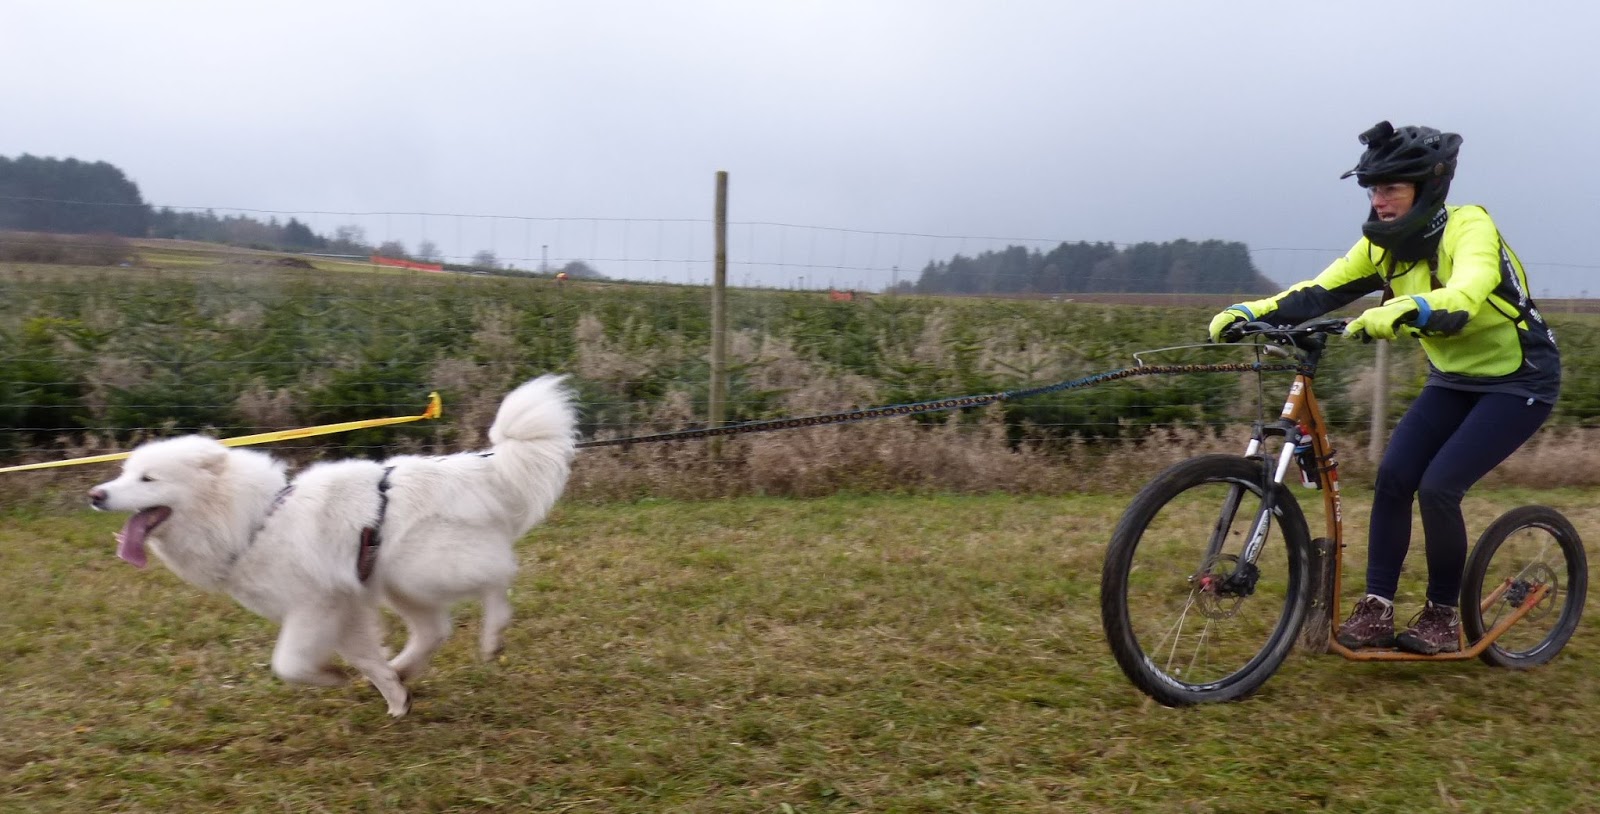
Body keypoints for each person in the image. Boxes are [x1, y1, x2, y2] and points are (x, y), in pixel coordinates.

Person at [1207, 121, 1560, 655]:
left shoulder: (1470, 227)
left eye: (1391, 188)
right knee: (1394, 477)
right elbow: (1318, 292)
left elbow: (1466, 295)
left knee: (1439, 487)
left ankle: (1442, 616)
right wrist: (1250, 311)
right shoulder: (1383, 249)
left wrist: (1410, 306)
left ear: (1428, 188)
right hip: (1454, 379)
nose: (1380, 202)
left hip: (1520, 381)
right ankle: (1377, 607)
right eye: (1373, 190)